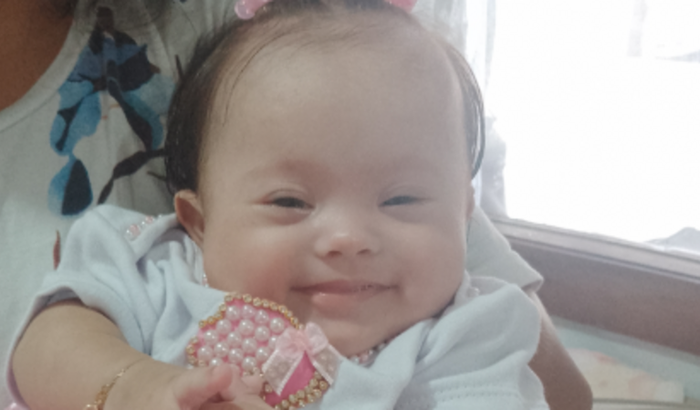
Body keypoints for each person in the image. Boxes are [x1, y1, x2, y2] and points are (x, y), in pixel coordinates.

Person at [1, 0, 592, 409]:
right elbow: (46, 342)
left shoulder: (472, 333)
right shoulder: (158, 267)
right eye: (289, 200)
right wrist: (132, 386)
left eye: (401, 198)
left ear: (464, 216)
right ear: (198, 222)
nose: (349, 237)